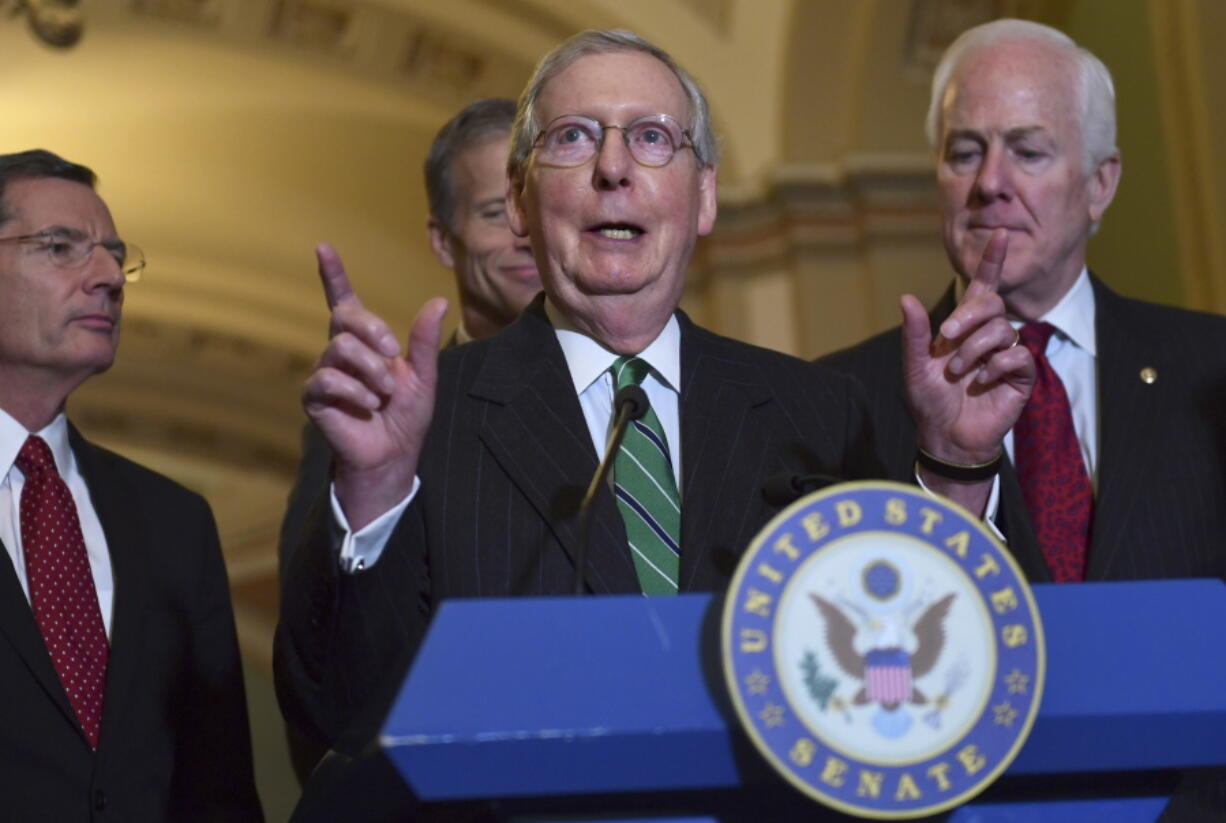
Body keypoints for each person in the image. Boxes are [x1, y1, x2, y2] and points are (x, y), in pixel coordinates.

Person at [275, 29, 1030, 763]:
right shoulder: (429, 421)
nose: (613, 167)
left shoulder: (819, 413)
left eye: (652, 138)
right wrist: (375, 488)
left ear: (702, 197)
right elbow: (341, 720)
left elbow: (934, 693)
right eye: (572, 137)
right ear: (519, 200)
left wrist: (960, 468)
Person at [821, 18, 1226, 586]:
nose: (990, 182)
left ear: (1099, 184)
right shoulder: (836, 403)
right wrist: (950, 468)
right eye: (964, 153)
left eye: (1028, 151)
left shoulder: (1213, 369)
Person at [0, 150, 262, 820]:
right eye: (61, 247)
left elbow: (220, 790)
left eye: (116, 254)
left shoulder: (175, 522)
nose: (111, 276)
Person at [278, 98, 539, 569]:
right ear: (443, 241)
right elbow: (316, 612)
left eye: (537, 207)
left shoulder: (628, 390)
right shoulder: (375, 408)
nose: (525, 234)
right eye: (496, 214)